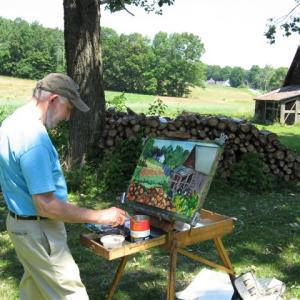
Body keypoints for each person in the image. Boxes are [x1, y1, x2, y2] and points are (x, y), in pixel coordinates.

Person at [0, 73, 126, 299]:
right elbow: (46, 206)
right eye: (69, 108)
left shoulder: (12, 122)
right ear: (54, 99)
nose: (68, 117)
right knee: (72, 294)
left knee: (35, 292)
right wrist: (100, 216)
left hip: (21, 226)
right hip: (40, 231)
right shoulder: (33, 138)